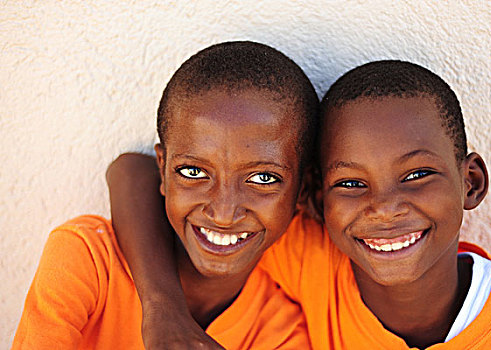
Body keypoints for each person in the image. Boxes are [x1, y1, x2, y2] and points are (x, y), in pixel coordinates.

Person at [106, 60, 491, 349]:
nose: (384, 207)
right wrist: (164, 312)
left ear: (470, 183)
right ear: (317, 201)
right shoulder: (314, 260)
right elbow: (133, 172)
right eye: (351, 183)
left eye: (416, 175)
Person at [12, 41, 320, 350]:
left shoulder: (279, 334)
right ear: (162, 170)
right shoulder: (88, 261)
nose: (224, 213)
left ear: (302, 191)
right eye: (193, 172)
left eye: (262, 178)